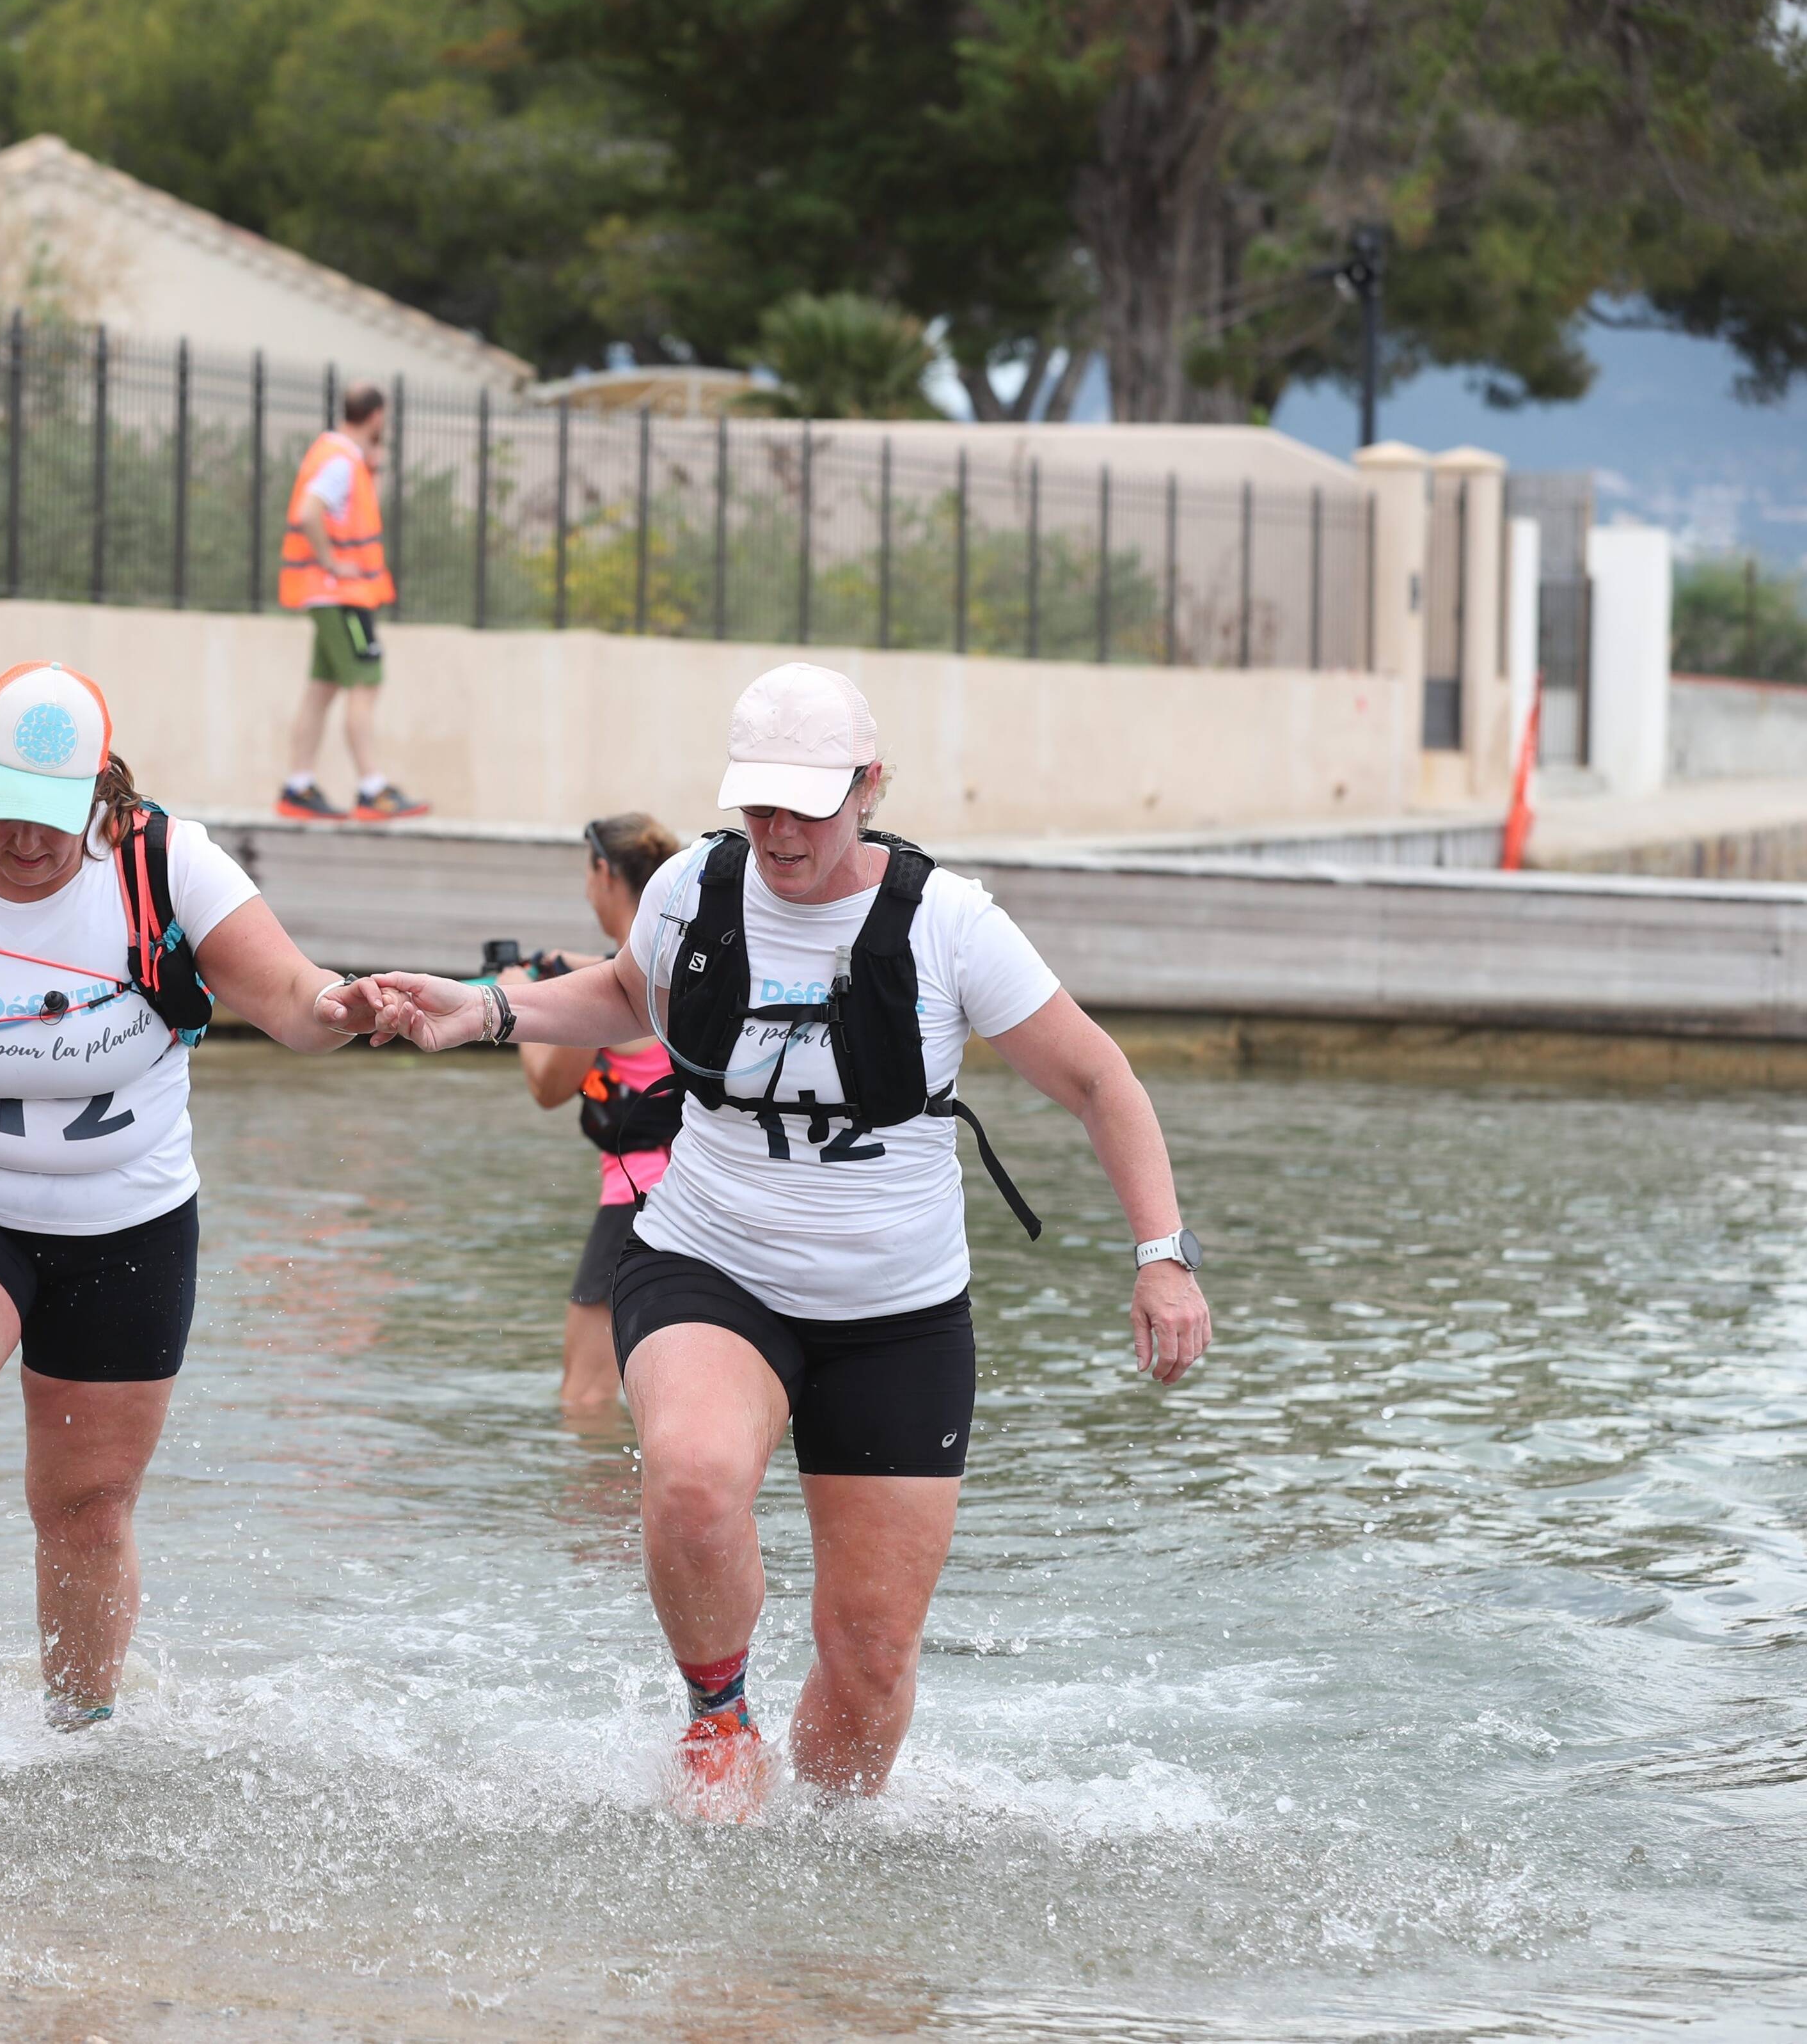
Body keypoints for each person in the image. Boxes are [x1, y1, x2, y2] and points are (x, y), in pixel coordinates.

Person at [360, 663, 1211, 1816]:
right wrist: (491, 1009)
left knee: (868, 1661)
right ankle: (719, 1715)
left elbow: (1099, 1079)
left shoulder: (949, 923)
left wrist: (1160, 1254)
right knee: (697, 1482)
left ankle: (816, 1891)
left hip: (898, 1312)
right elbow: (625, 993)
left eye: (806, 806)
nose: (778, 833)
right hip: (711, 1261)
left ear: (869, 786)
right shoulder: (690, 890)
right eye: (757, 805)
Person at [0, 661, 385, 1745]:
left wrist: (344, 1006)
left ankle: (80, 1728)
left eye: (55, 820)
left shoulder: (167, 865)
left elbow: (289, 998)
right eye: (5, 814)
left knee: (85, 1508)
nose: (27, 844)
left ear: (101, 792)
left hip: (126, 1214)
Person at [509, 813, 682, 1419]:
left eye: (587, 872)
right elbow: (624, 968)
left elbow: (550, 1086)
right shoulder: (677, 960)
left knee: (584, 1397)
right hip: (702, 1196)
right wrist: (572, 966)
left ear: (605, 872)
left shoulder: (610, 990)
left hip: (633, 1202)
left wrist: (515, 1001)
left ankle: (596, 1515)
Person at [276, 381, 428, 823]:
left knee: (322, 690)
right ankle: (372, 788)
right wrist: (333, 562)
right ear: (378, 416)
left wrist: (375, 470)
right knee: (365, 683)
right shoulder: (341, 461)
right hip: (343, 595)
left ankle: (298, 786)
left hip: (329, 596)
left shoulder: (341, 457)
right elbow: (309, 512)